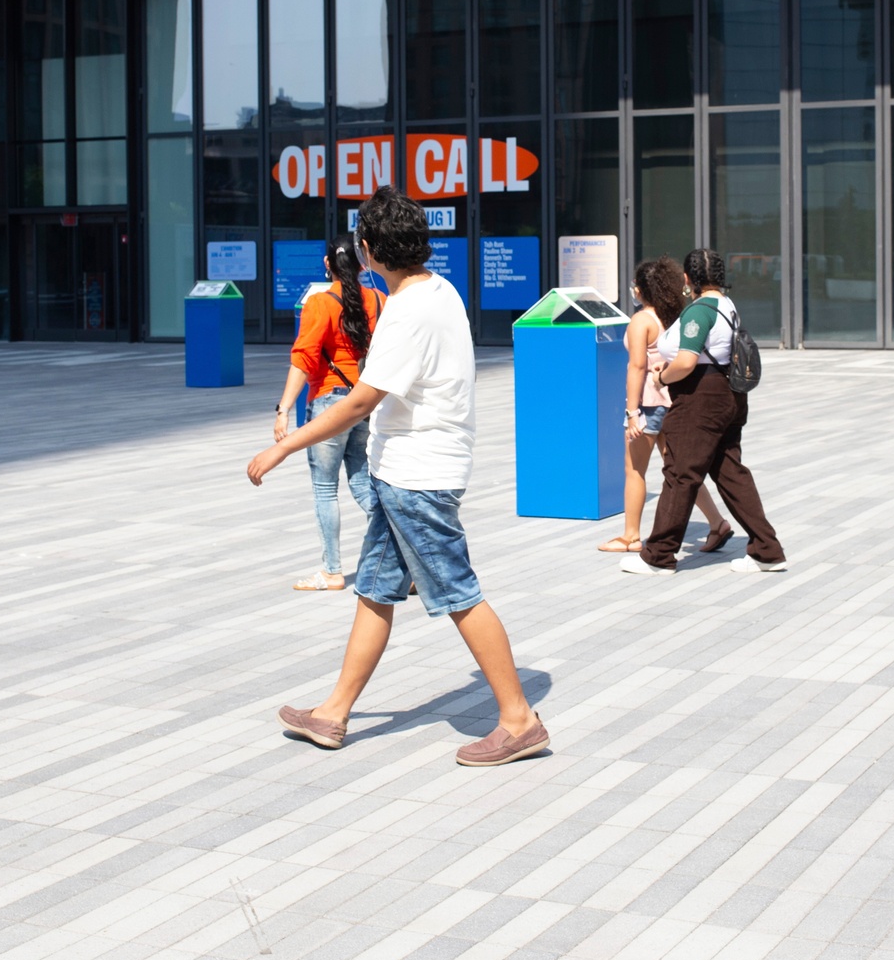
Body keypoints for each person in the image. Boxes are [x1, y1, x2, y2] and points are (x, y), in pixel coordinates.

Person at [247, 186, 548, 767]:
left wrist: (284, 447)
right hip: (403, 473)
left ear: (367, 250)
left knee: (458, 593)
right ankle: (334, 714)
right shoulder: (441, 292)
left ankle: (518, 720)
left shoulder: (408, 311)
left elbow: (360, 402)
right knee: (375, 591)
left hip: (418, 475)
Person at [625, 248, 788, 576]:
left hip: (700, 399)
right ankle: (767, 551)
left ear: (688, 279)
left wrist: (661, 377)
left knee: (680, 474)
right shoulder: (728, 305)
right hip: (729, 397)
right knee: (730, 472)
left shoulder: (700, 311)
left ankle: (658, 556)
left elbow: (685, 362)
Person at [599, 256, 733, 555]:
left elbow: (637, 367)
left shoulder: (641, 321)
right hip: (674, 399)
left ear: (642, 290)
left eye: (635, 285)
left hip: (648, 403)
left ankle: (630, 536)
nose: (633, 289)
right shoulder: (677, 316)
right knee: (680, 469)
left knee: (634, 469)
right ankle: (717, 523)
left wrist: (632, 412)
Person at [274, 238, 385, 591]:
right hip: (365, 403)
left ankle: (332, 571)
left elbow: (303, 359)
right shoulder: (381, 301)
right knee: (363, 483)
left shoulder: (319, 303)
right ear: (362, 264)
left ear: (327, 263)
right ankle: (402, 560)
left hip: (328, 403)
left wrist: (283, 410)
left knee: (325, 489)